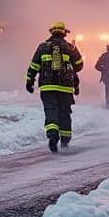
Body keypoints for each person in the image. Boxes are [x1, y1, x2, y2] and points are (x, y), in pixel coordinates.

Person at [26, 21, 84, 152]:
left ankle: (52, 134)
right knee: (64, 113)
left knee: (51, 110)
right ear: (64, 33)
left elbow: (34, 65)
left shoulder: (43, 47)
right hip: (65, 88)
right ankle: (65, 140)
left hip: (48, 87)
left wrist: (29, 81)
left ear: (51, 31)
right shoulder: (70, 48)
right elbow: (79, 65)